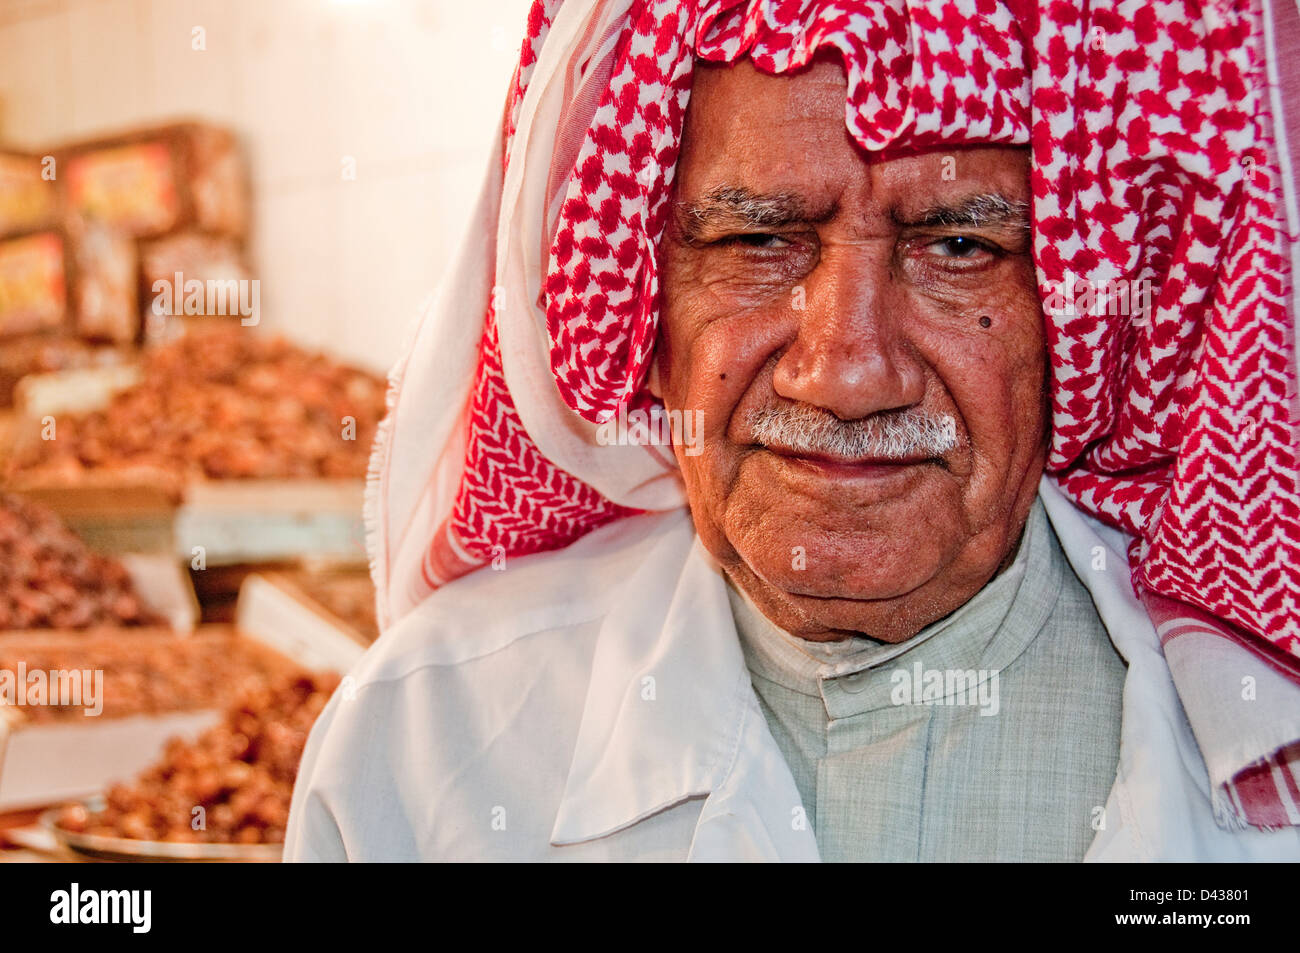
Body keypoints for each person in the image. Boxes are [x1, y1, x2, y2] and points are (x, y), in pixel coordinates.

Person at [285, 0, 1300, 861]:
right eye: (757, 240)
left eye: (956, 246)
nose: (846, 370)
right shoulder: (424, 740)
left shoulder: (1255, 739)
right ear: (646, 319)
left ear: (1073, 317)